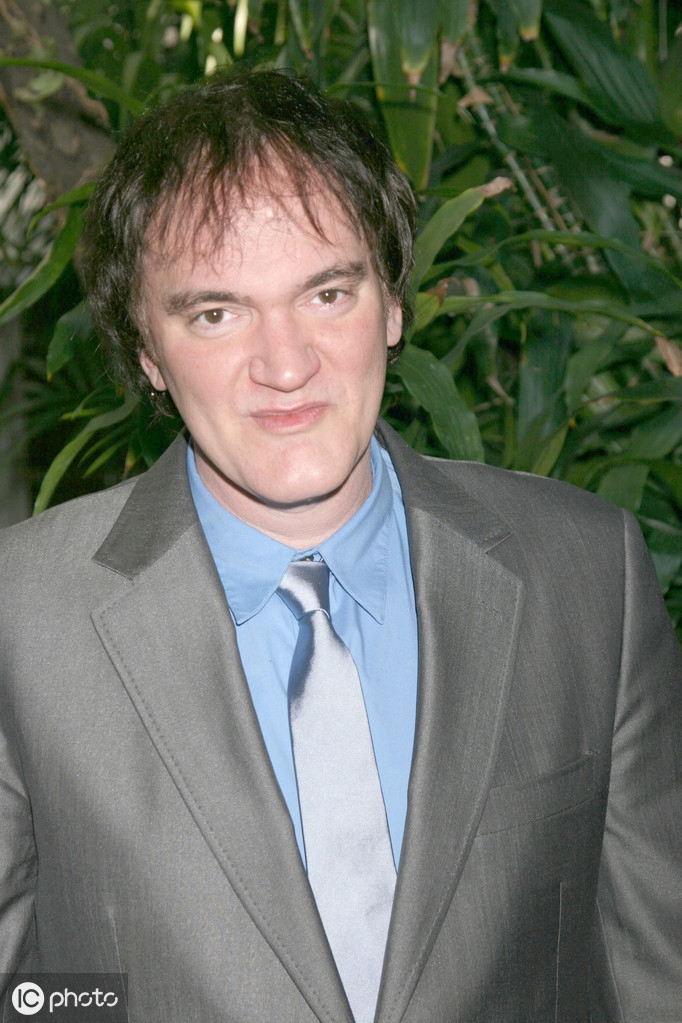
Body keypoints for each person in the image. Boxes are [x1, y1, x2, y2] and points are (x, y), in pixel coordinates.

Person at [1, 68, 680, 1023]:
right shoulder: (21, 619)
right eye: (216, 313)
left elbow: (657, 974)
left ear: (393, 302)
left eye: (326, 293)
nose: (286, 366)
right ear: (147, 351)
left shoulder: (588, 575)